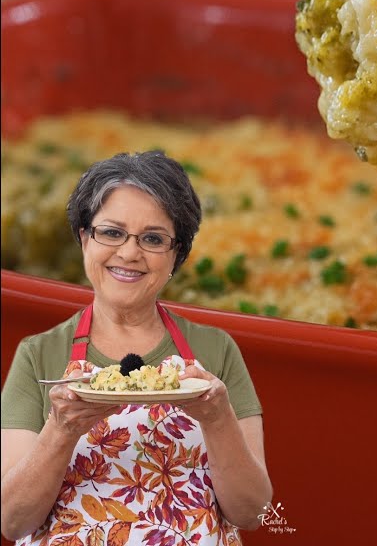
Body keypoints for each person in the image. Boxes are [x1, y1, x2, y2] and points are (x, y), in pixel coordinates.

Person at [1, 150, 271, 544]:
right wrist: (62, 428)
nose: (129, 253)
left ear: (176, 253)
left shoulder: (216, 349)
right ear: (83, 237)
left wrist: (217, 418)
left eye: (153, 239)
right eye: (111, 232)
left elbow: (253, 512)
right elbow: (12, 521)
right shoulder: (38, 354)